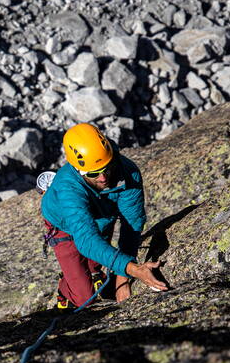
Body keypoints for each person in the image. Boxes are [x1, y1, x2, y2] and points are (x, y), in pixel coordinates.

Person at [37, 123, 168, 310]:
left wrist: (122, 279)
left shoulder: (128, 172)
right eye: (93, 173)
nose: (103, 178)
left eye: (106, 168)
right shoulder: (68, 187)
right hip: (63, 224)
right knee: (84, 298)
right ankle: (65, 289)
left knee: (95, 263)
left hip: (102, 215)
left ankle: (92, 272)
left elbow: (133, 224)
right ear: (78, 170)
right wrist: (134, 269)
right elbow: (87, 241)